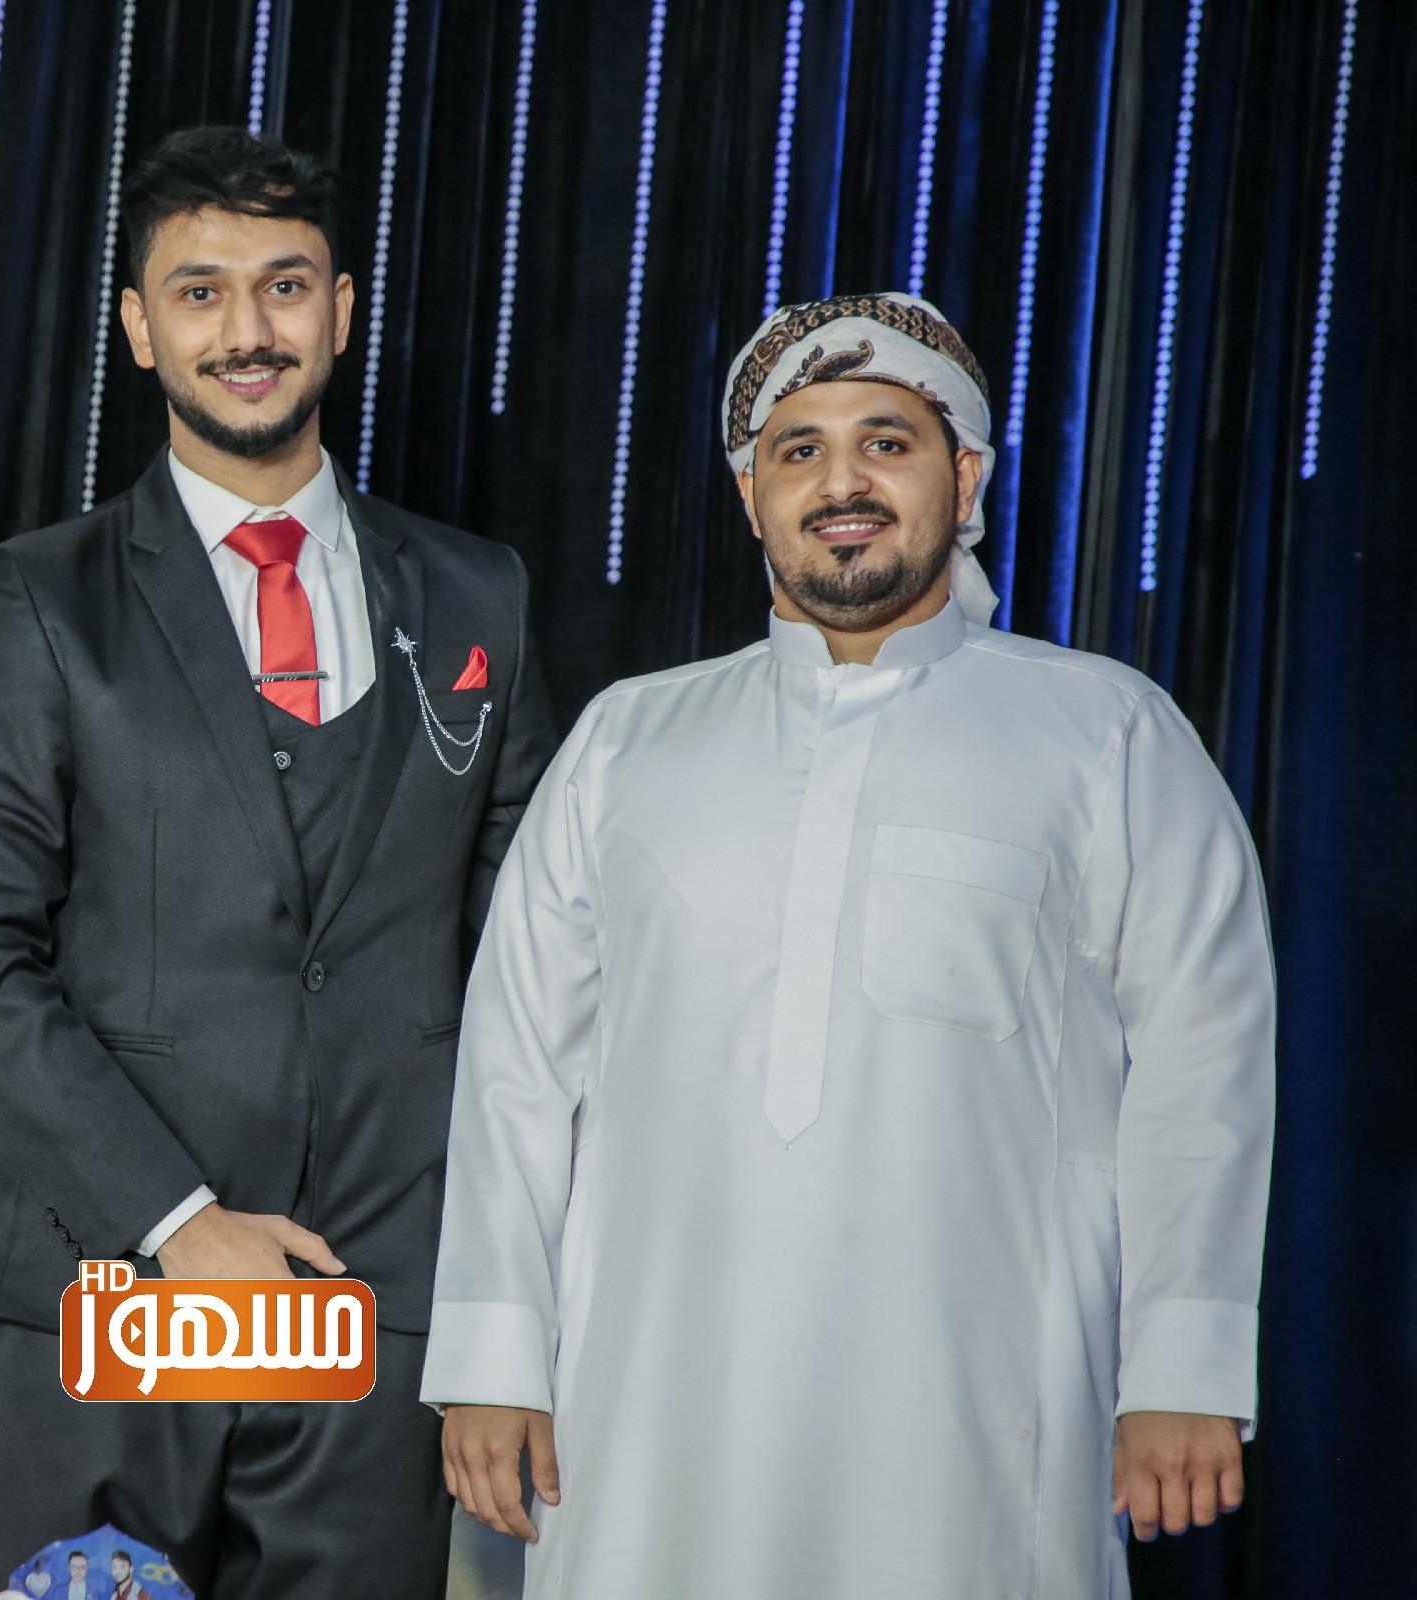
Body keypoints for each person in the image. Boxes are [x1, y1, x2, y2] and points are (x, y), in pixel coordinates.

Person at [422, 291, 1276, 1597]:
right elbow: (516, 1068)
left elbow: (1202, 1064)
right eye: (800, 450)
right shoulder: (628, 740)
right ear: (751, 494)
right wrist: (491, 1355)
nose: (842, 484)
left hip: (984, 1409)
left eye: (888, 442)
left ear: (965, 477)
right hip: (645, 1405)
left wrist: (1182, 1364)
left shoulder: (1107, 735)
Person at [0, 127, 556, 1600]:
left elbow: (533, 970)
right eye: (199, 292)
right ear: (140, 329)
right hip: (103, 1295)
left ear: (342, 310)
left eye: (284, 284)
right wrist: (180, 1224)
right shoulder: (36, 601)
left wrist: (503, 1304)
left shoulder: (481, 597)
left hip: (373, 1313)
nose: (247, 329)